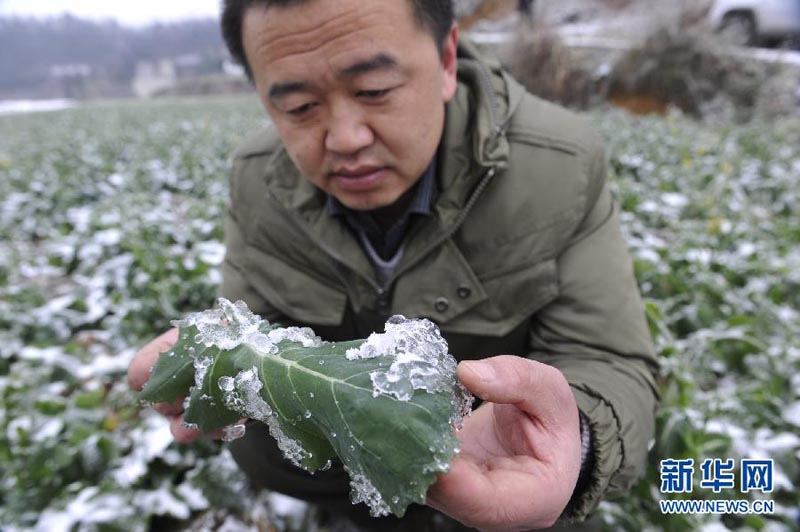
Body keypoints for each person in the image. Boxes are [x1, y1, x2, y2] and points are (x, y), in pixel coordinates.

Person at [127, 0, 659, 530]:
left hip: (494, 449)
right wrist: (228, 354)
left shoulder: (558, 165)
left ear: (447, 59)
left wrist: (576, 438)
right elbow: (254, 320)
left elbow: (608, 357)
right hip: (343, 463)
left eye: (374, 92)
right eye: (299, 107)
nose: (346, 138)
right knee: (267, 450)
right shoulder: (257, 177)